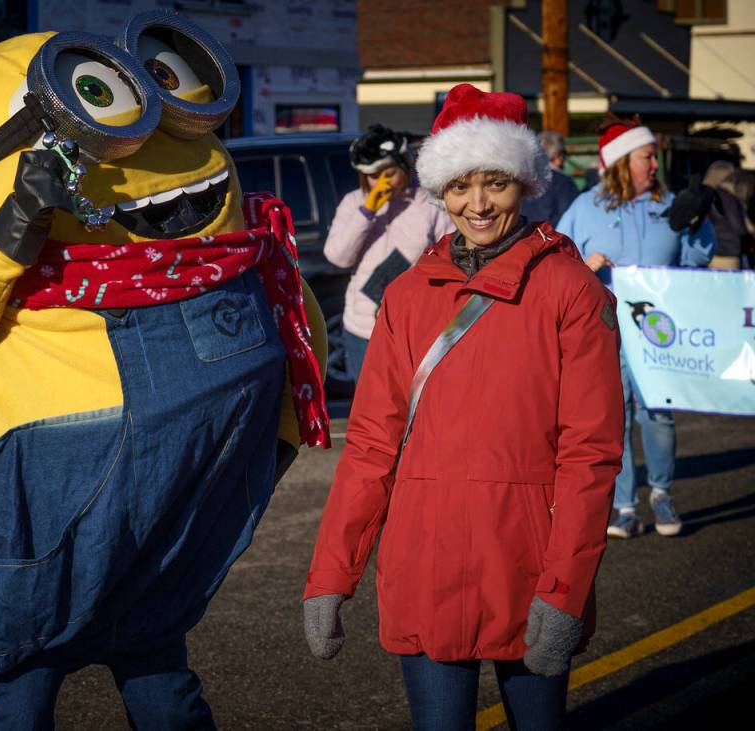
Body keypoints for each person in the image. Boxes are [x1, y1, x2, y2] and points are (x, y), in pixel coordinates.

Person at [0, 16, 330, 728]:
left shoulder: (232, 252)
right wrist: (16, 222)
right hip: (55, 508)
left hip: (125, 513)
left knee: (110, 665)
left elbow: (290, 332)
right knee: (64, 667)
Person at [302, 83, 624, 729]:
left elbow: (590, 455)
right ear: (440, 189)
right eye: (459, 186)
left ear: (524, 183)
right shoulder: (408, 295)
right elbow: (370, 443)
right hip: (425, 566)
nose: (476, 204)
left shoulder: (571, 290)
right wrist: (331, 573)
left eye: (495, 183)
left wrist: (564, 591)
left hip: (529, 568)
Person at [557, 114, 715, 539]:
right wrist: (583, 267)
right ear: (624, 160)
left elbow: (696, 261)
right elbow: (555, 267)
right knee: (614, 419)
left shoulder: (668, 206)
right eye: (647, 156)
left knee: (658, 414)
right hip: (603, 334)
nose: (654, 165)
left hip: (657, 336)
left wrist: (699, 225)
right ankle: (625, 506)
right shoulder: (585, 208)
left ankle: (661, 494)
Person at [324, 124, 453, 380]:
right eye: (374, 176)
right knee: (368, 408)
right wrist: (367, 212)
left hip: (414, 326)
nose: (382, 181)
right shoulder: (353, 202)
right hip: (362, 328)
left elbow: (450, 259)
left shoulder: (430, 204)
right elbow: (337, 257)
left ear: (405, 165)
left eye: (389, 172)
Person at [520, 129, 580, 225]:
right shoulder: (564, 183)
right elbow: (574, 218)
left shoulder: (522, 179)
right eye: (564, 153)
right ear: (558, 156)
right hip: (553, 237)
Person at [702, 160, 753, 270]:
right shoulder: (728, 198)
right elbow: (739, 228)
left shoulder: (707, 196)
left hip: (710, 252)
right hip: (728, 253)